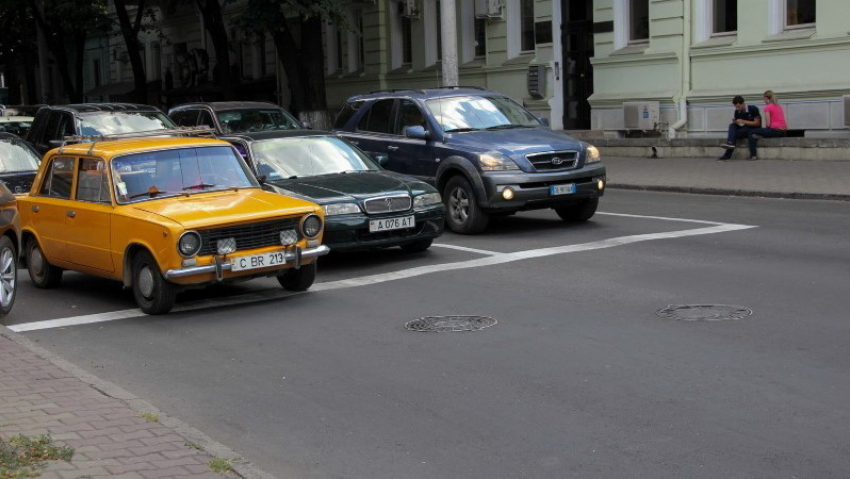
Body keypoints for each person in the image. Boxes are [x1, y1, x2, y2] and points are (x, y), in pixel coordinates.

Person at [746, 90, 787, 160]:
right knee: (761, 132)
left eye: (763, 99)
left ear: (766, 98)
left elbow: (768, 124)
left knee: (751, 132)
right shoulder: (778, 105)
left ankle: (753, 155)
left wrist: (764, 131)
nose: (763, 101)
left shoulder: (767, 107)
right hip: (783, 131)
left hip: (775, 130)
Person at [718, 95, 761, 161]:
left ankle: (727, 154)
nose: (737, 109)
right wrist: (736, 122)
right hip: (743, 129)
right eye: (736, 107)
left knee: (734, 135)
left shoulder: (753, 109)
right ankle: (730, 143)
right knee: (732, 125)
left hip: (753, 129)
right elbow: (740, 124)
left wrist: (743, 121)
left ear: (743, 104)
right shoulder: (737, 112)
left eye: (738, 107)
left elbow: (757, 123)